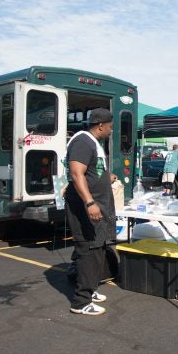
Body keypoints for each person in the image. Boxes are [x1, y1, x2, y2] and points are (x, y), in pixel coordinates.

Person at [64, 108, 116, 316]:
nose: (111, 131)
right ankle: (80, 302)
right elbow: (77, 173)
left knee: (97, 249)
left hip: (98, 204)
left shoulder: (93, 143)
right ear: (101, 125)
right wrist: (89, 202)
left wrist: (106, 177)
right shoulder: (83, 142)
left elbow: (92, 171)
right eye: (110, 127)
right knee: (88, 250)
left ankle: (90, 288)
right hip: (85, 207)